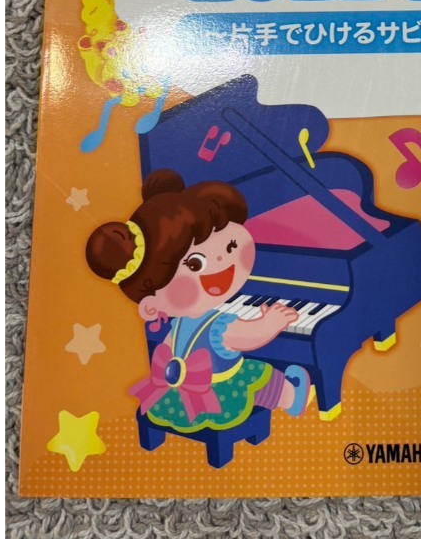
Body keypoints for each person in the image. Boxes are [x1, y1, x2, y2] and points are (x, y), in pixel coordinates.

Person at [86, 169, 310, 433]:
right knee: (259, 374)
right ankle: (292, 398)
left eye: (231, 247)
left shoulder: (178, 325)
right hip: (217, 399)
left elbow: (167, 354)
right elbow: (249, 336)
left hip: (179, 398)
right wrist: (272, 321)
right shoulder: (218, 326)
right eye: (194, 264)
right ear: (151, 306)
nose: (222, 262)